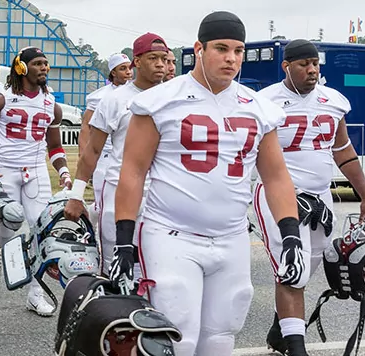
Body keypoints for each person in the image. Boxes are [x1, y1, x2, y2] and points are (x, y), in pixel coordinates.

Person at [110, 11, 301, 356]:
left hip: (231, 238)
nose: (231, 59)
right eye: (221, 48)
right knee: (177, 335)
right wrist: (124, 240)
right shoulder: (161, 100)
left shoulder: (258, 107)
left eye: (238, 51)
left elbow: (275, 176)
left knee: (221, 337)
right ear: (199, 48)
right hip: (171, 234)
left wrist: (290, 233)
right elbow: (133, 172)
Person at [253, 39, 365, 356]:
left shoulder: (332, 101)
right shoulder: (263, 102)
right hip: (278, 195)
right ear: (286, 66)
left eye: (315, 64)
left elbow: (343, 151)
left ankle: (279, 331)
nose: (311, 70)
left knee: (305, 270)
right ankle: (296, 347)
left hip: (321, 197)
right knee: (291, 267)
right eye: (303, 65)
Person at [0, 46, 72, 317]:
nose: (45, 68)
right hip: (5, 170)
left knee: (40, 230)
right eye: (39, 63)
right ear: (21, 67)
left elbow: (55, 147)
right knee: (6, 233)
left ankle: (35, 294)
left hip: (36, 171)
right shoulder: (0, 99)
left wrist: (64, 172)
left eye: (46, 63)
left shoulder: (51, 104)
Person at [65, 34, 169, 275]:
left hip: (162, 192)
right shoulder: (114, 99)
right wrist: (76, 194)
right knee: (114, 267)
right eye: (153, 58)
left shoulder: (174, 98)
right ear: (137, 61)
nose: (160, 64)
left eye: (164, 58)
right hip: (118, 189)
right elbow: (92, 149)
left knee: (157, 269)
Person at [77, 53, 133, 230]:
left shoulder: (139, 92)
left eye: (129, 67)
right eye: (122, 68)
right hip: (105, 154)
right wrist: (83, 155)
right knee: (104, 203)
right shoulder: (99, 96)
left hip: (126, 153)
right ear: (113, 72)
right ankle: (100, 235)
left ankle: (92, 219)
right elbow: (86, 126)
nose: (128, 72)